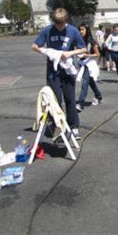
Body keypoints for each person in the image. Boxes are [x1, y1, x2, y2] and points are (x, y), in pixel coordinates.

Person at [31, 8, 87, 139]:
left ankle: (73, 127)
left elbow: (83, 48)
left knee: (70, 99)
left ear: (66, 21)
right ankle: (55, 124)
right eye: (57, 24)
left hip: (67, 71)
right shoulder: (47, 30)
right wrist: (49, 52)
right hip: (53, 73)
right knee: (55, 100)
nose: (59, 27)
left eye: (61, 24)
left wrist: (70, 53)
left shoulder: (73, 31)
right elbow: (34, 46)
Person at [76, 24, 102, 112]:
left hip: (90, 64)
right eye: (79, 29)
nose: (81, 31)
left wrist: (88, 55)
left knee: (85, 83)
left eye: (82, 29)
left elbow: (98, 54)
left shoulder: (92, 41)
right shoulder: (78, 40)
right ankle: (98, 96)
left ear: (87, 30)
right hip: (82, 63)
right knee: (90, 82)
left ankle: (80, 103)